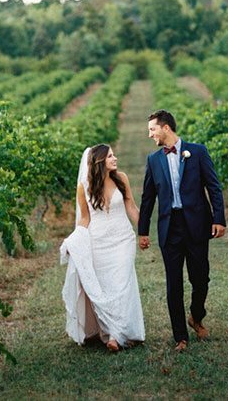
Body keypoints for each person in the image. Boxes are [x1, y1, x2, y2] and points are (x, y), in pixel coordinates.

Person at [139, 110, 226, 352]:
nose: (149, 135)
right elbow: (148, 199)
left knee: (201, 278)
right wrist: (143, 231)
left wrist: (219, 219)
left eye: (152, 129)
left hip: (197, 225)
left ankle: (196, 316)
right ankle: (181, 336)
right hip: (169, 228)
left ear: (165, 128)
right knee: (173, 283)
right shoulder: (153, 160)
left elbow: (214, 187)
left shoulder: (197, 152)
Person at [60, 144, 145, 351]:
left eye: (114, 155)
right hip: (98, 242)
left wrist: (144, 231)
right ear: (99, 162)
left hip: (123, 239)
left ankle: (116, 335)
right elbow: (85, 219)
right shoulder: (84, 187)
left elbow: (131, 207)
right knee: (106, 288)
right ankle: (111, 331)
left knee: (122, 285)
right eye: (110, 156)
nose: (115, 159)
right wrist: (75, 241)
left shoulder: (121, 178)